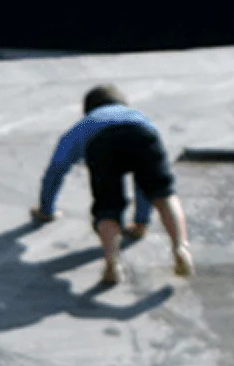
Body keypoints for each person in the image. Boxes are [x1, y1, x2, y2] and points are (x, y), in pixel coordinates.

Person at [31, 84, 194, 287]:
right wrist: (141, 222)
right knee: (163, 193)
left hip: (102, 143)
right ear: (122, 103)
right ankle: (180, 246)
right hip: (143, 135)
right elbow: (144, 184)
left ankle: (112, 263)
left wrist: (46, 209)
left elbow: (55, 170)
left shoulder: (84, 125)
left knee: (108, 207)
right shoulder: (138, 116)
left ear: (87, 108)